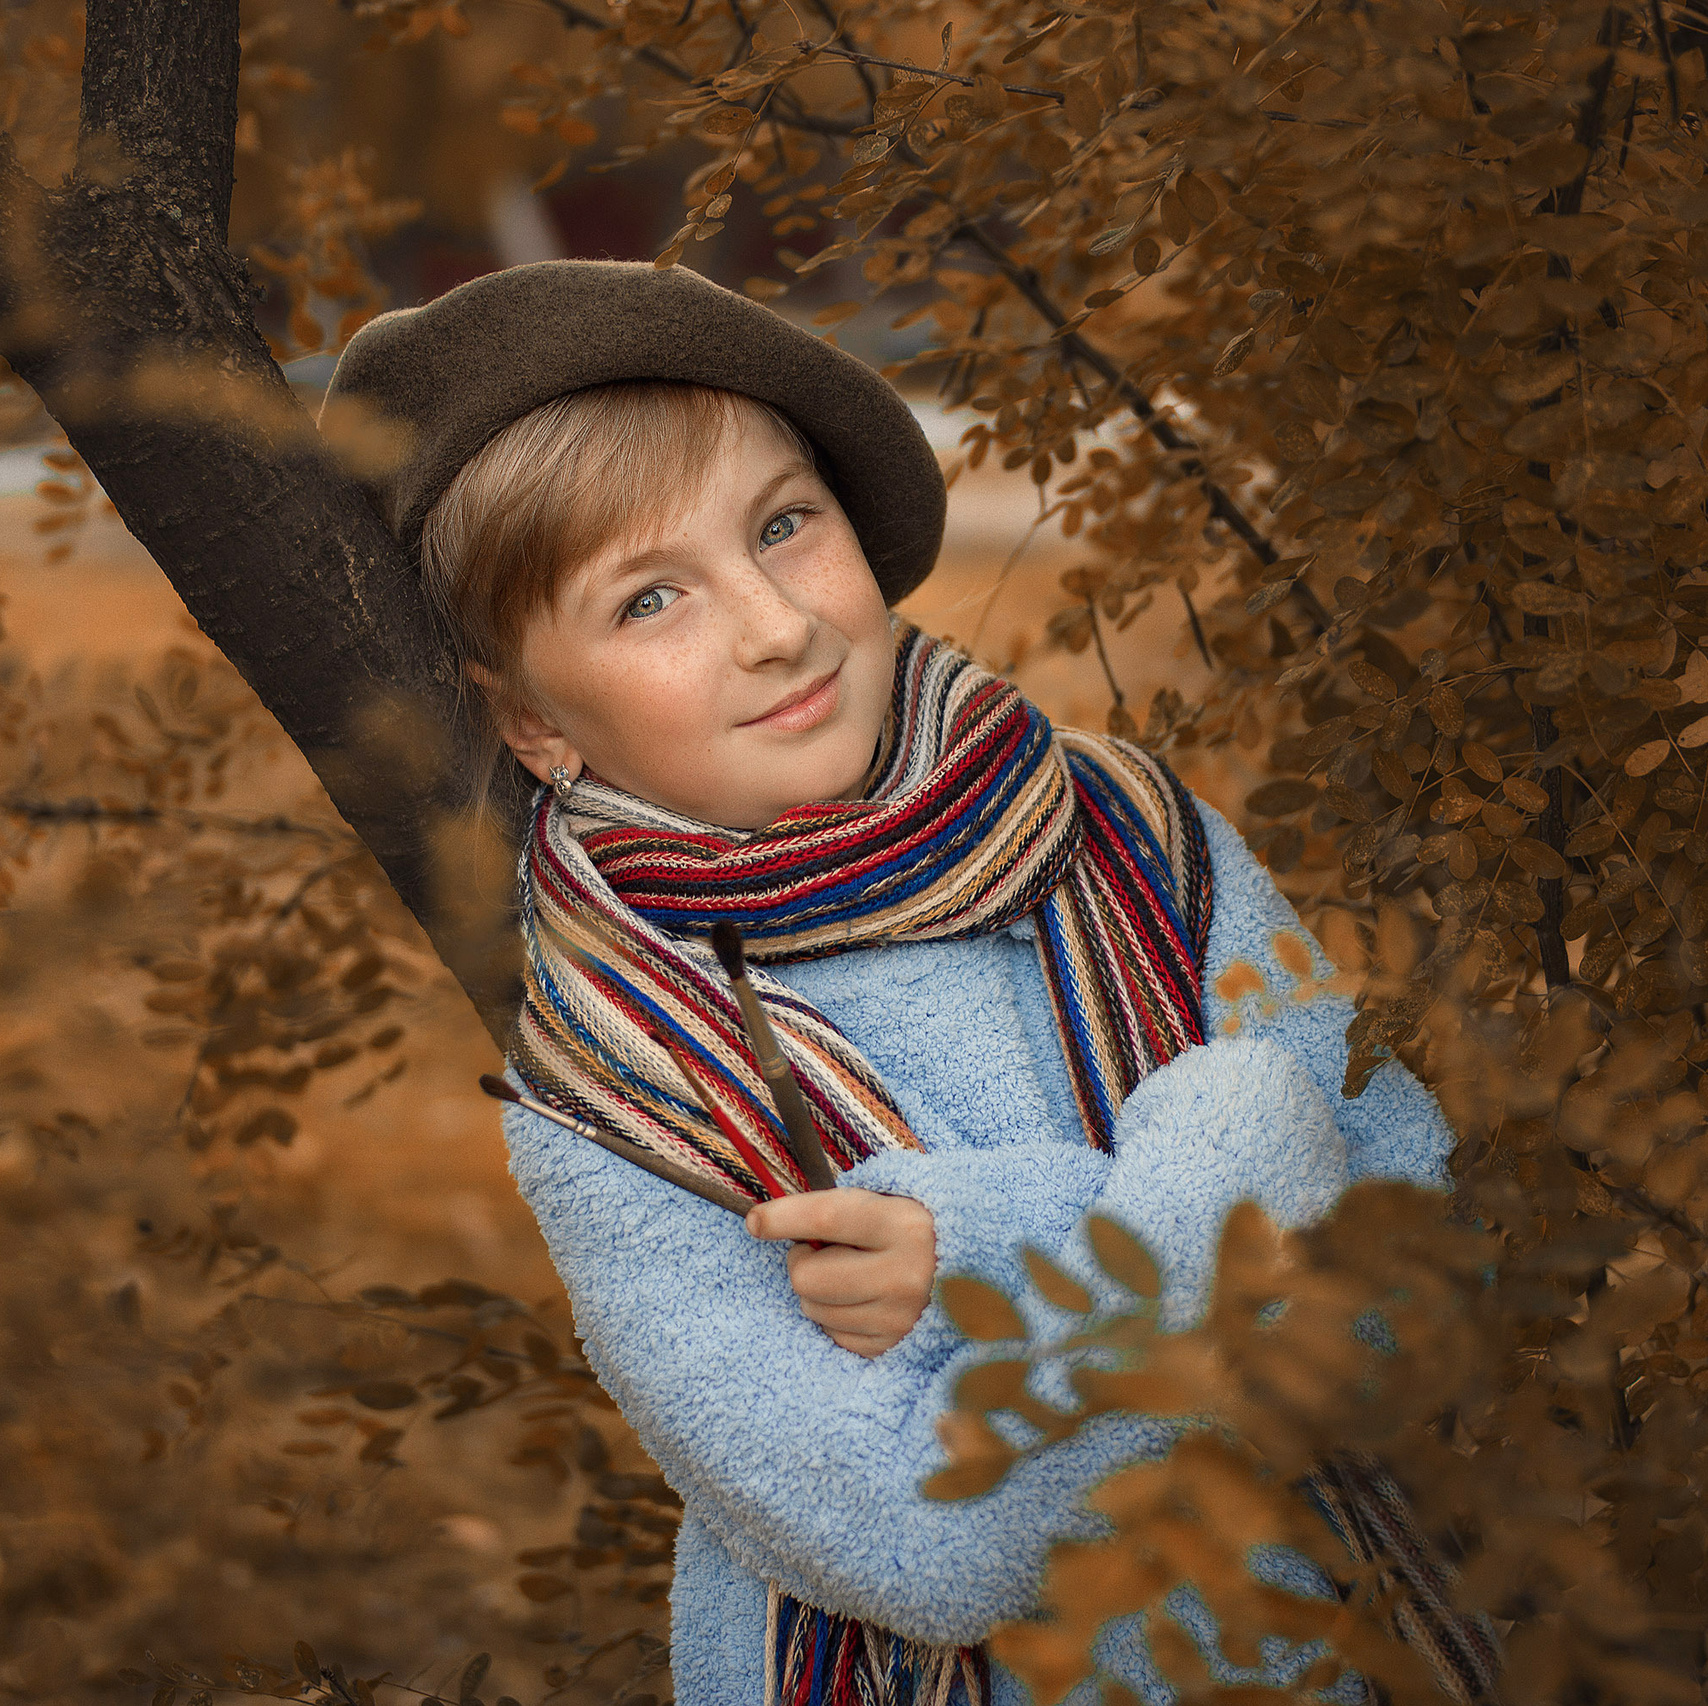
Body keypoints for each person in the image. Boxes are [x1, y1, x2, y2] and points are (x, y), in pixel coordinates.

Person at [322, 261, 1457, 1706]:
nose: (775, 624)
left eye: (784, 526)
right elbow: (930, 1542)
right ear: (537, 723)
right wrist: (1244, 1143)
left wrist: (974, 1248)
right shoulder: (613, 1088)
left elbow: (1421, 1265)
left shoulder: (1131, 833)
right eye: (651, 598)